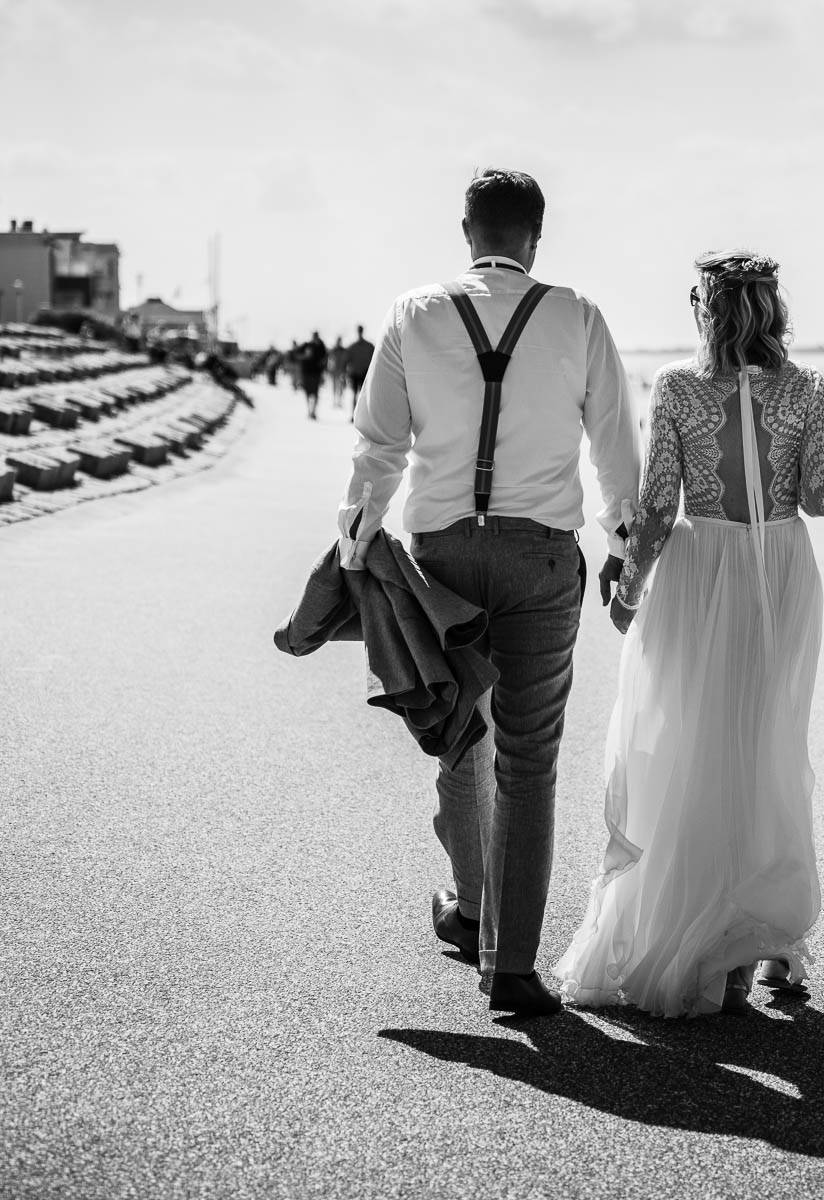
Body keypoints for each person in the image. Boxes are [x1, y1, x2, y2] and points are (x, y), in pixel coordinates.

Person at [337, 168, 641, 1017]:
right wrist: (626, 545)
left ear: (467, 231)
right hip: (543, 559)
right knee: (530, 761)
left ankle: (471, 910)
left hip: (443, 558)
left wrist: (356, 540)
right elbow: (616, 446)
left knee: (462, 734)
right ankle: (510, 964)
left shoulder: (413, 313)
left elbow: (378, 445)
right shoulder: (579, 316)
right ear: (535, 238)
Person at [553, 248, 824, 1018]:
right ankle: (764, 932)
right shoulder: (807, 388)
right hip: (778, 568)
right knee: (768, 744)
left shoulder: (678, 386)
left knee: (692, 745)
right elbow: (820, 500)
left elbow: (655, 508)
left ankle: (707, 926)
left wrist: (630, 589)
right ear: (773, 309)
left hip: (700, 568)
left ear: (706, 308)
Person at [344, 324, 373, 415]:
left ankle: (361, 415)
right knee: (355, 395)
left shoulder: (368, 346)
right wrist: (345, 373)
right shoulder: (353, 346)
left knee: (363, 396)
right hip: (355, 374)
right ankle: (354, 414)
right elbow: (346, 361)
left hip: (364, 373)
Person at [298, 330, 326, 418]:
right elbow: (296, 354)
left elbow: (325, 359)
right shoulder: (306, 345)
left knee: (315, 393)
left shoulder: (321, 346)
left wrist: (323, 371)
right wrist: (305, 356)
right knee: (307, 392)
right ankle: (309, 410)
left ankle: (313, 411)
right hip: (307, 373)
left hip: (316, 373)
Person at [328, 336, 347, 408]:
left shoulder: (343, 350)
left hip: (341, 372)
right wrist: (330, 370)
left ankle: (339, 401)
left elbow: (345, 361)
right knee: (335, 387)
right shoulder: (333, 350)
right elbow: (330, 361)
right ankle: (335, 401)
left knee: (341, 387)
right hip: (335, 372)